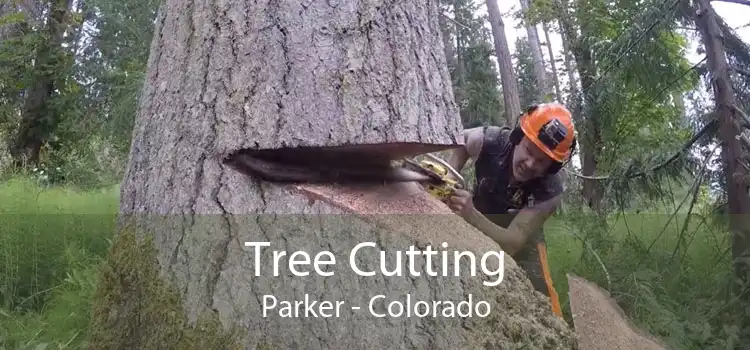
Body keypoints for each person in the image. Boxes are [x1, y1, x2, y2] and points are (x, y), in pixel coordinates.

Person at [444, 103, 577, 318]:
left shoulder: (550, 192)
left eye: (541, 161)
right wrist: (450, 176)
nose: (530, 163)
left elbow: (514, 242)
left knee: (543, 298)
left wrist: (470, 215)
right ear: (517, 137)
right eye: (528, 150)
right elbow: (462, 141)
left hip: (522, 237)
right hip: (481, 214)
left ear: (552, 167)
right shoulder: (491, 140)